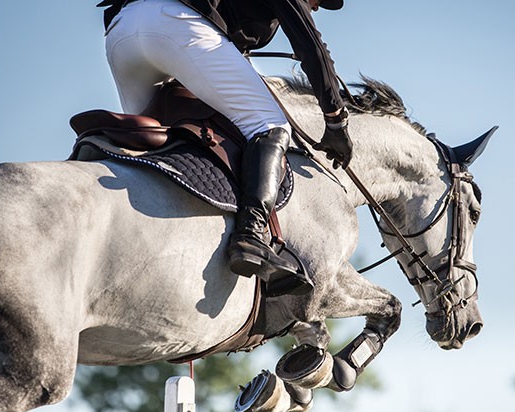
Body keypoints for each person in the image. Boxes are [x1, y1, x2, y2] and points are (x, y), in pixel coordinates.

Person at [97, 0, 353, 295]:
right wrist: (335, 119)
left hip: (122, 33)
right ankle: (251, 234)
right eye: (319, 0)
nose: (317, 6)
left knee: (150, 149)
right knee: (270, 125)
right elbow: (311, 45)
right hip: (174, 24)